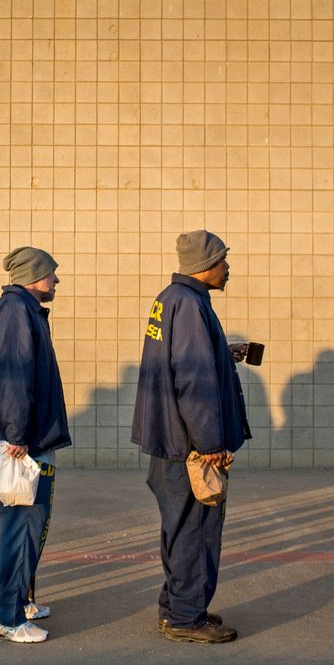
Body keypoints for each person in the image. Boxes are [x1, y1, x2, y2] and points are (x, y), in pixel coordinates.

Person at [131, 231, 249, 644]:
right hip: (191, 445)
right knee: (196, 530)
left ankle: (178, 606)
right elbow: (193, 382)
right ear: (208, 263)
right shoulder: (192, 304)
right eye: (224, 260)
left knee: (179, 528)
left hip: (170, 439)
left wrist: (221, 351)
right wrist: (210, 442)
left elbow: (179, 363)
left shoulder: (170, 299)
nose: (229, 267)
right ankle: (185, 619)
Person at [0, 247, 71, 644]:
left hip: (25, 437)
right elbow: (12, 380)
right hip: (20, 442)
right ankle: (3, 616)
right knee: (16, 529)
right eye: (52, 274)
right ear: (35, 275)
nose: (57, 280)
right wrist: (17, 435)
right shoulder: (15, 312)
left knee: (29, 525)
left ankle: (17, 599)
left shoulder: (23, 311)